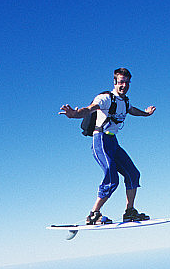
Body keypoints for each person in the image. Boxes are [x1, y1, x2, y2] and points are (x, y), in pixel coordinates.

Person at [60, 68, 156, 225]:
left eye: (126, 82)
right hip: (100, 141)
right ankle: (93, 214)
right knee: (112, 178)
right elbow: (89, 109)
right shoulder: (105, 98)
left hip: (113, 142)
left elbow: (132, 110)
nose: (124, 85)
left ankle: (130, 211)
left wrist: (146, 114)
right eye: (121, 82)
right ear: (115, 82)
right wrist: (75, 115)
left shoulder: (125, 101)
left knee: (133, 174)